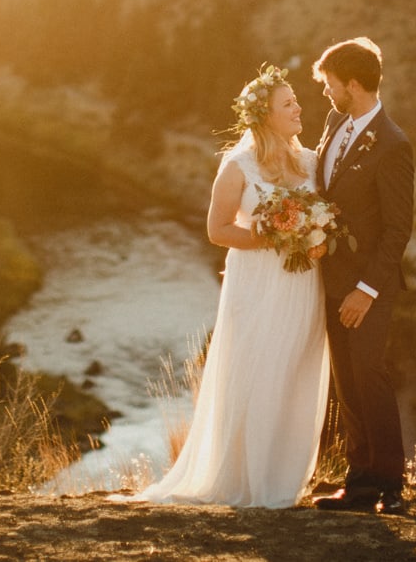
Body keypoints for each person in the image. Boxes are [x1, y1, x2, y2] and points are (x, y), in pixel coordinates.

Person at [120, 65, 330, 508]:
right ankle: (245, 480)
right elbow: (217, 230)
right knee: (256, 371)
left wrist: (314, 238)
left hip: (303, 285)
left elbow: (327, 220)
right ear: (265, 116)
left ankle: (282, 480)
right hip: (255, 283)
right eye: (288, 103)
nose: (298, 108)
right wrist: (274, 236)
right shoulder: (237, 166)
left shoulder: (311, 161)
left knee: (294, 372)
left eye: (295, 101)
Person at [309, 37, 414, 515]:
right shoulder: (335, 123)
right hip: (329, 280)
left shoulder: (393, 144)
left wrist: (366, 291)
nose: (327, 93)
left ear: (354, 84)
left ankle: (392, 485)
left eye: (332, 85)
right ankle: (360, 482)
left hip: (367, 288)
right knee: (346, 381)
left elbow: (398, 229)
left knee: (370, 376)